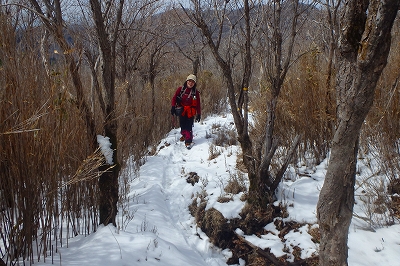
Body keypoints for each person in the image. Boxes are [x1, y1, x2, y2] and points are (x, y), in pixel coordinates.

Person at [171, 74, 201, 147]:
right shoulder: (181, 89)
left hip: (190, 111)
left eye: (192, 82)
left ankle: (188, 139)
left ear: (194, 83)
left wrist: (199, 114)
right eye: (189, 81)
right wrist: (172, 107)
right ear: (187, 81)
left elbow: (198, 104)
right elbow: (174, 98)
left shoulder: (195, 93)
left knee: (189, 125)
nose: (190, 83)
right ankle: (184, 135)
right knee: (182, 124)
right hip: (182, 110)